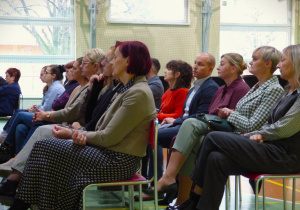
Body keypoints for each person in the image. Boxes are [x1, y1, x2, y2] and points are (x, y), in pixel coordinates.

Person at [0, 41, 156, 210]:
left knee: (44, 148)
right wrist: (79, 133)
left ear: (128, 61)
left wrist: (72, 134)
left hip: (117, 162)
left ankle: (22, 204)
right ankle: (29, 204)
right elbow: (100, 127)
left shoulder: (137, 92)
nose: (110, 62)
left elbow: (106, 137)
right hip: (108, 152)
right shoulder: (126, 88)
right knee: (44, 148)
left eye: (115, 58)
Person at [144, 46, 285, 208]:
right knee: (195, 141)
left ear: (267, 64)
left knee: (191, 127)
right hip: (229, 131)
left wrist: (230, 114)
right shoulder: (255, 87)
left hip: (246, 138)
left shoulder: (271, 89)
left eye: (254, 59)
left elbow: (252, 125)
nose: (250, 62)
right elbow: (226, 114)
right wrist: (230, 113)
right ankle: (184, 199)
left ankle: (174, 183)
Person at [180, 44, 300, 210]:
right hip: (271, 148)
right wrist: (257, 133)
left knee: (213, 137)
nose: (278, 65)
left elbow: (284, 128)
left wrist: (257, 134)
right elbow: (269, 122)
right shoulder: (288, 90)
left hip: (286, 156)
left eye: (283, 60)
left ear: (296, 63)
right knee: (216, 158)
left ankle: (194, 198)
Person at [0, 65, 65, 163]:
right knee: (20, 127)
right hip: (45, 115)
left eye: (46, 73)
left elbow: (46, 108)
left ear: (53, 76)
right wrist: (35, 108)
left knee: (20, 115)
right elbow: (45, 105)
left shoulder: (55, 88)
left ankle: (6, 145)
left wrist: (34, 110)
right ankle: (16, 158)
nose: (42, 76)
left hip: (49, 118)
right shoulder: (51, 87)